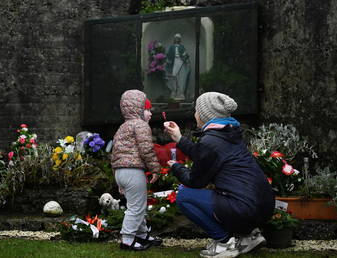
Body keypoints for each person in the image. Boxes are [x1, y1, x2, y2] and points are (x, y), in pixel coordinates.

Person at [163, 92, 275, 257]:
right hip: (265, 206)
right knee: (230, 196)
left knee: (185, 195)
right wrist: (179, 138)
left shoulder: (210, 142)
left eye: (196, 111)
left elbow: (195, 181)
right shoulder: (230, 133)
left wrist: (177, 167)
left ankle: (224, 243)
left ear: (203, 115)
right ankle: (248, 237)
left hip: (243, 208)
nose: (195, 114)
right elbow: (205, 154)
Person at [111, 89, 163, 251]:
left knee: (136, 204)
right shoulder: (140, 125)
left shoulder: (122, 127)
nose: (150, 114)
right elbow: (146, 149)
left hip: (121, 171)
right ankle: (127, 240)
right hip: (133, 171)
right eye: (147, 110)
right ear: (138, 109)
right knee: (136, 207)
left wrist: (117, 178)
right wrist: (155, 169)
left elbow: (114, 154)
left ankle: (142, 234)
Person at [165, 33, 191, 101]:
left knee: (181, 78)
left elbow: (185, 55)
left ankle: (180, 93)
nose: (177, 39)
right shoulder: (171, 47)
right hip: (173, 63)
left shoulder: (182, 47)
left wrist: (186, 58)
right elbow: (169, 56)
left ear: (179, 40)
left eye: (178, 38)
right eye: (175, 38)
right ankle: (173, 92)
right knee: (173, 77)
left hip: (181, 62)